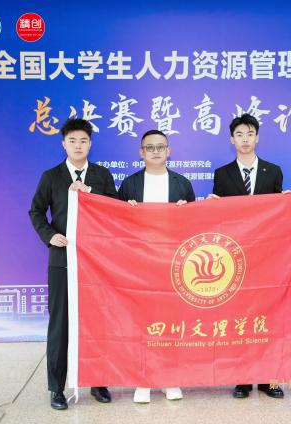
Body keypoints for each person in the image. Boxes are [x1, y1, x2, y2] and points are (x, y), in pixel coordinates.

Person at [29, 118, 117, 409]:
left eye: (83, 141)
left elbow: (115, 210)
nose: (78, 146)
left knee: (98, 322)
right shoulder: (51, 176)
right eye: (72, 141)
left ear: (90, 144)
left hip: (96, 261)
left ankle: (99, 383)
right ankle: (57, 388)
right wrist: (50, 235)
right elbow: (36, 211)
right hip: (63, 260)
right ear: (63, 144)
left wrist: (90, 193)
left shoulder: (102, 175)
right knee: (60, 325)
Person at [209, 113, 285, 399]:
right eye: (239, 134)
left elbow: (280, 212)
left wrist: (288, 201)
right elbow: (218, 217)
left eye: (250, 134)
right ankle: (241, 377)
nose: (245, 139)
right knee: (239, 316)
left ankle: (267, 378)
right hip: (235, 257)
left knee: (268, 315)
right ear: (232, 139)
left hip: (267, 256)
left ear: (257, 137)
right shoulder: (222, 174)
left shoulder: (273, 171)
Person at [118, 129, 195, 403]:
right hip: (139, 264)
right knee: (141, 321)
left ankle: (169, 378)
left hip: (172, 263)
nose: (155, 151)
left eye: (160, 147)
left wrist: (186, 212)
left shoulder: (182, 184)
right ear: (141, 152)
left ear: (168, 151)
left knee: (171, 321)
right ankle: (143, 380)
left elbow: (196, 225)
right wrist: (125, 211)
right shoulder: (130, 184)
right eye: (149, 147)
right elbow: (115, 225)